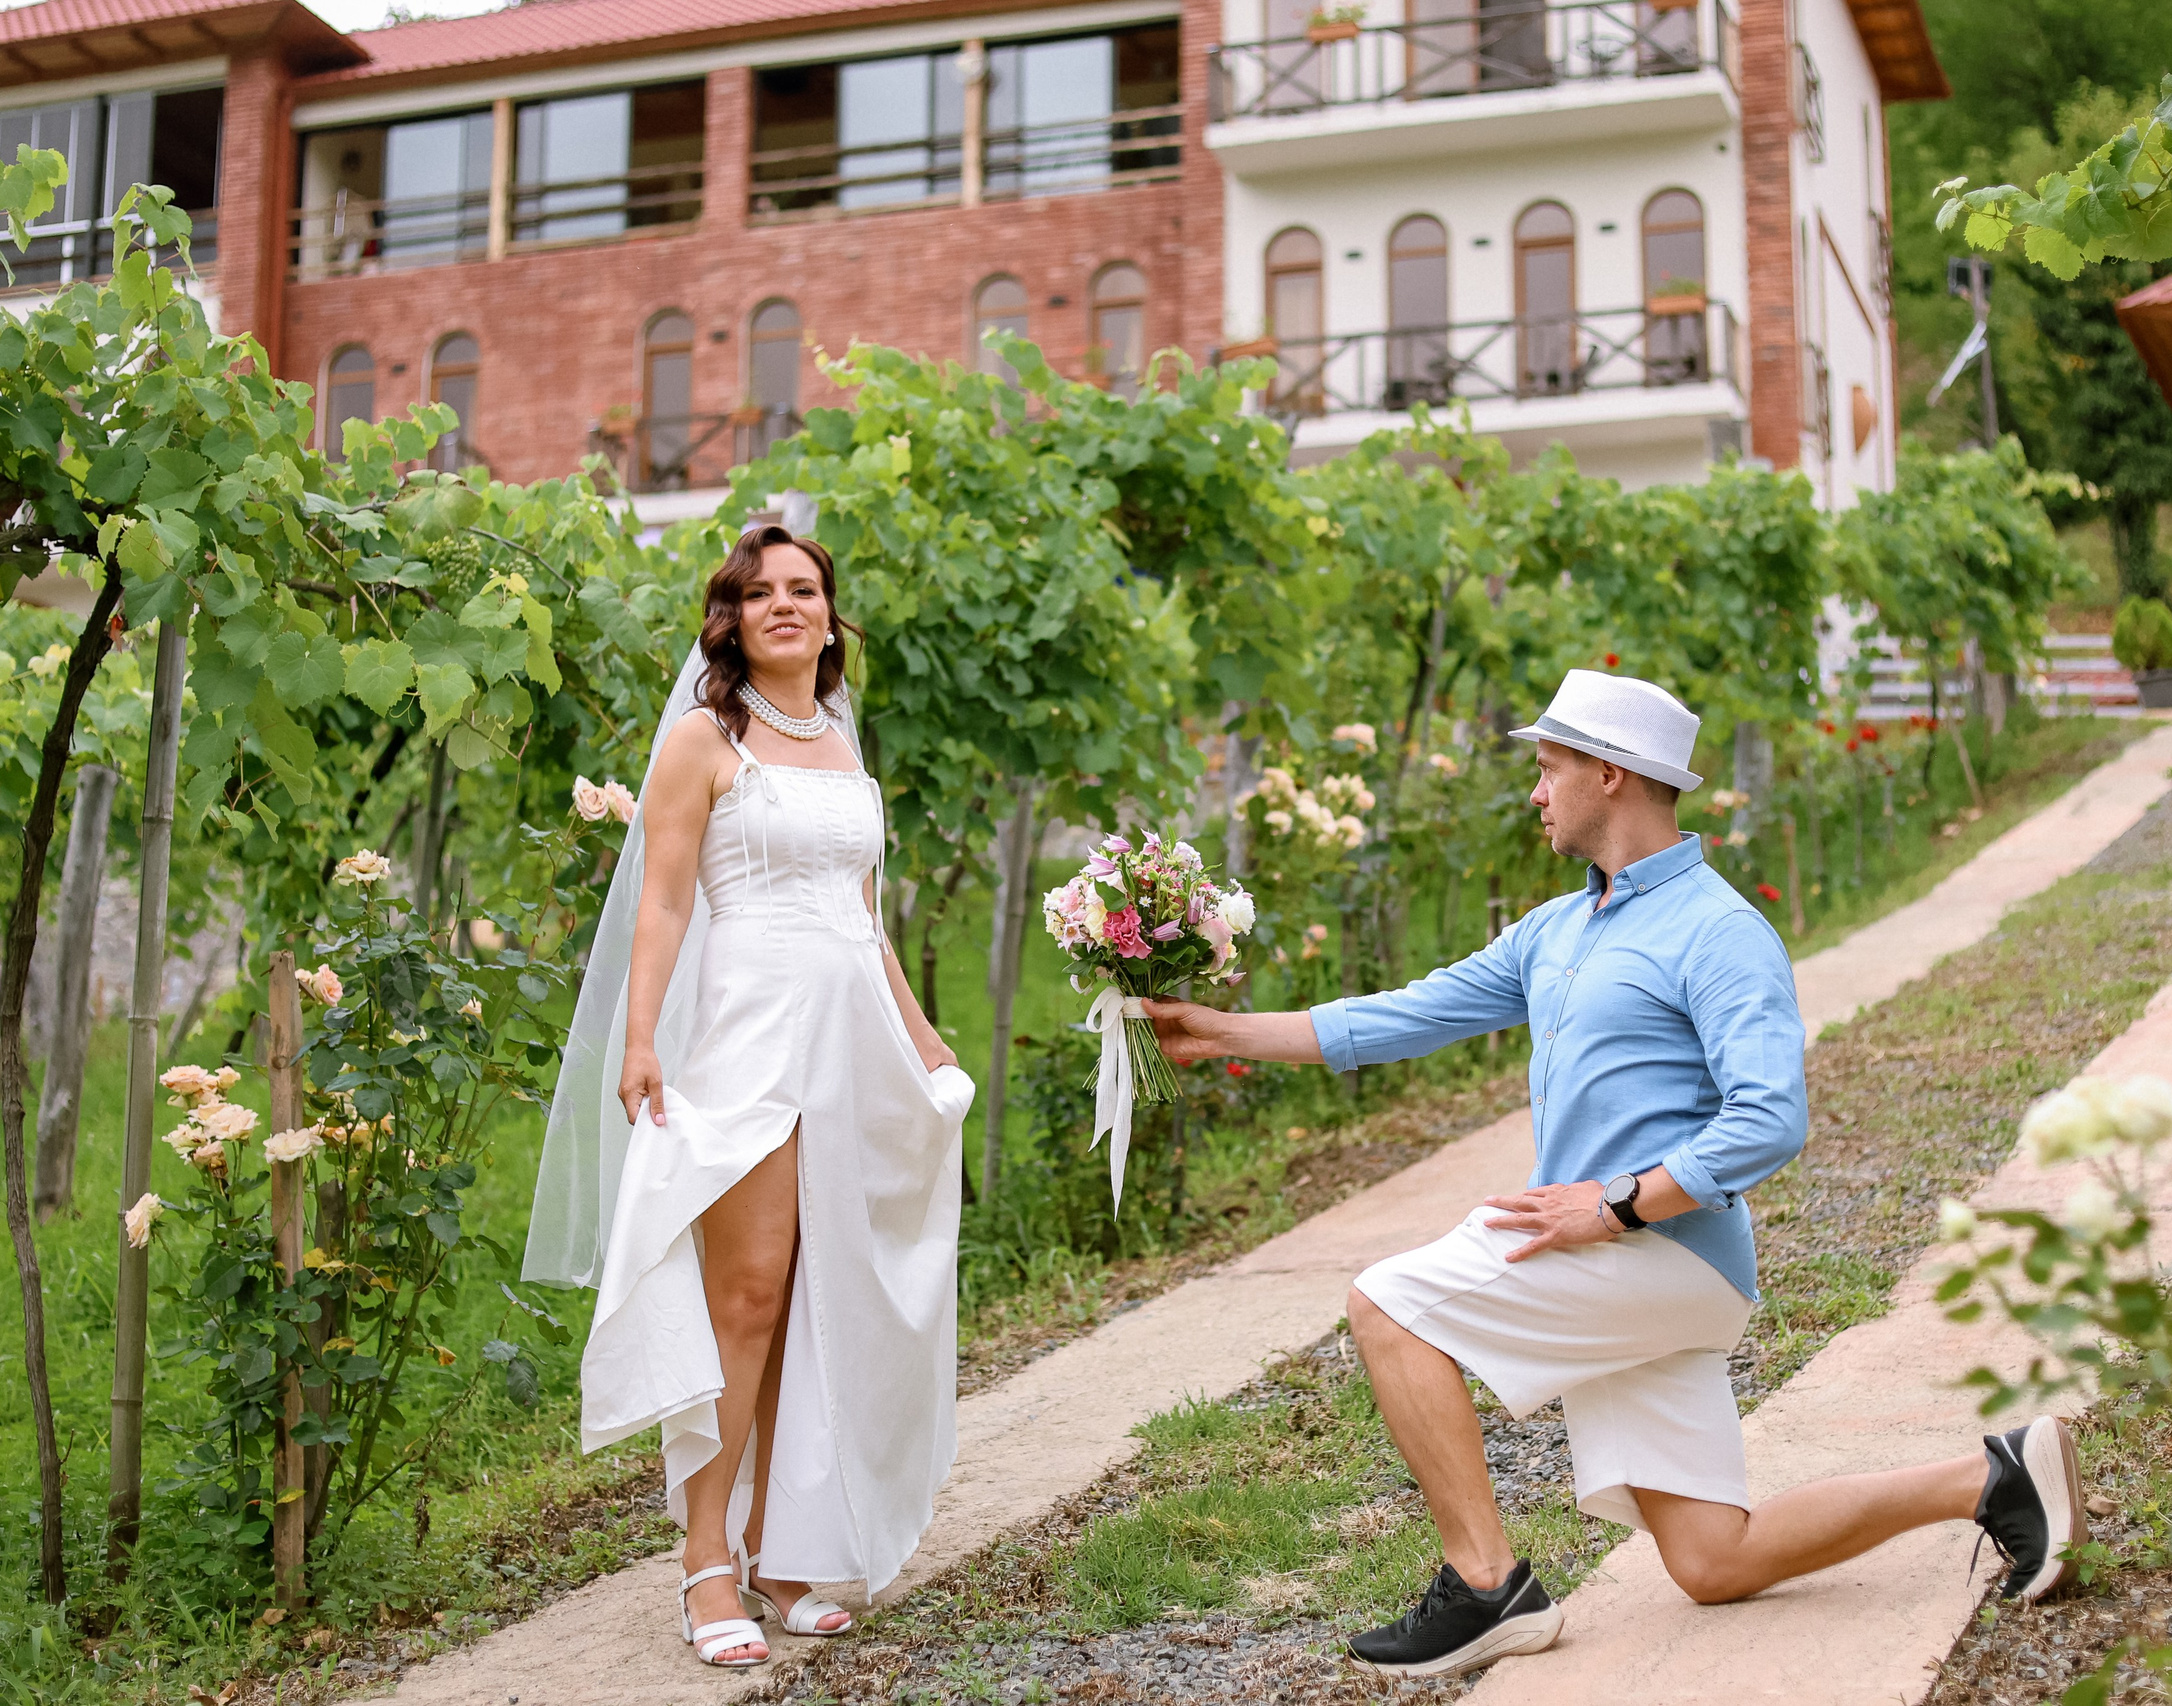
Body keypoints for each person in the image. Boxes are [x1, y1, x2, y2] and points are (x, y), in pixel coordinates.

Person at [1144, 670, 2081, 1682]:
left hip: (1658, 1253)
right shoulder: (1555, 930)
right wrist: (1215, 1031)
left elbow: (1770, 1117)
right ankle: (1994, 1476)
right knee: (1714, 1560)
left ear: (1609, 773)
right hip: (1636, 1269)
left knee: (1388, 1305)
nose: (1536, 792)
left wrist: (1615, 1203)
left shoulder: (1719, 930)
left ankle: (1486, 1585)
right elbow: (1404, 1015)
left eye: (1549, 768)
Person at [520, 526, 973, 1668]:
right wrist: (640, 1040)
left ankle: (785, 1548)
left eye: (804, 589)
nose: (784, 605)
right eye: (760, 591)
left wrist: (924, 1043)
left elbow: (863, 919)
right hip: (749, 1038)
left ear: (829, 616)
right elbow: (664, 902)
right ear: (731, 618)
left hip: (851, 1043)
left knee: (822, 1294)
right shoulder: (703, 739)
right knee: (750, 1294)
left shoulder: (842, 742)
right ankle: (705, 1558)